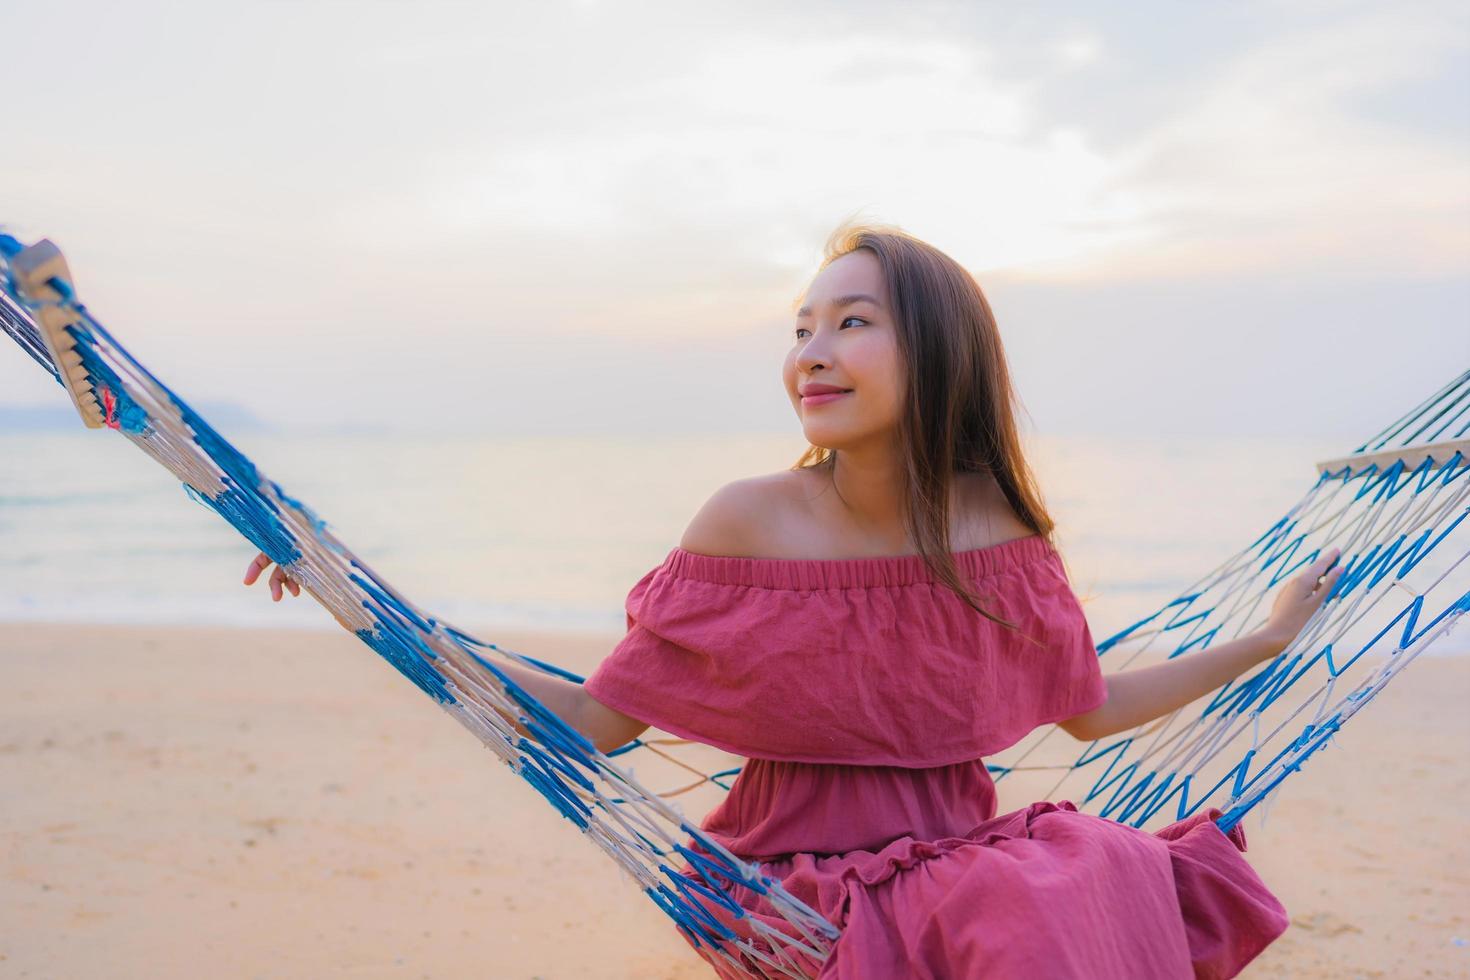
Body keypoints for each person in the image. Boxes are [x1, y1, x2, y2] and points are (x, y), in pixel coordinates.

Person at [244, 222, 1342, 978]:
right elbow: (597, 720)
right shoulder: (746, 523)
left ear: (940, 349)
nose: (810, 354)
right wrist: (376, 609)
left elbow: (1091, 705)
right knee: (1031, 905)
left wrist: (1268, 636)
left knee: (1088, 868)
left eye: (851, 323)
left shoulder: (999, 537)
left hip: (965, 865)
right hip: (793, 896)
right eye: (802, 326)